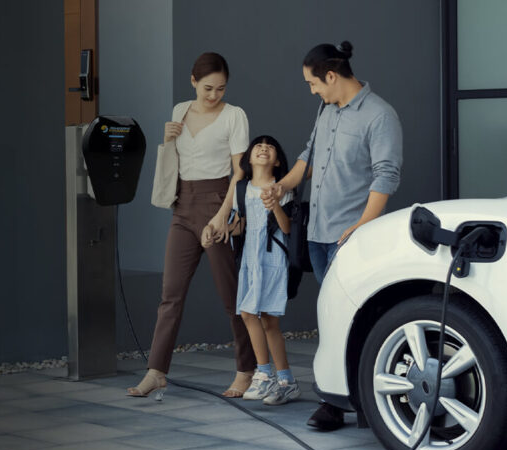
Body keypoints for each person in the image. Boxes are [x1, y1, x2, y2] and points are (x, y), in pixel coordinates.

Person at [262, 41, 403, 429]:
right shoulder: (327, 109)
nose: (312, 91)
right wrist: (283, 187)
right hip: (318, 235)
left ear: (330, 75)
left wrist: (362, 226)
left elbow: (386, 174)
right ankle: (340, 398)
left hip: (352, 238)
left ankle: (348, 403)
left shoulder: (380, 115)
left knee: (357, 319)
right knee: (333, 318)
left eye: (313, 83)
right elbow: (309, 155)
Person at [126, 52, 256, 400]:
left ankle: (247, 370)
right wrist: (168, 139)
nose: (214, 96)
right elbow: (177, 161)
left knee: (231, 298)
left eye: (221, 89)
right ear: (193, 82)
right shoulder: (179, 111)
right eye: (208, 88)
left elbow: (239, 173)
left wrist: (222, 217)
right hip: (183, 208)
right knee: (170, 296)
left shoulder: (234, 116)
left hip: (217, 203)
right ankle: (156, 371)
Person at [229, 136, 300, 406]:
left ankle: (282, 379)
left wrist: (276, 207)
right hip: (250, 258)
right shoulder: (241, 188)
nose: (263, 148)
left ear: (278, 160)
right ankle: (269, 374)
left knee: (269, 320)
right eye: (258, 145)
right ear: (249, 157)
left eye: (270, 146)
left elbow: (287, 229)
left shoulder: (282, 189)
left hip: (273, 258)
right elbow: (240, 224)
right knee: (248, 313)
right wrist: (226, 227)